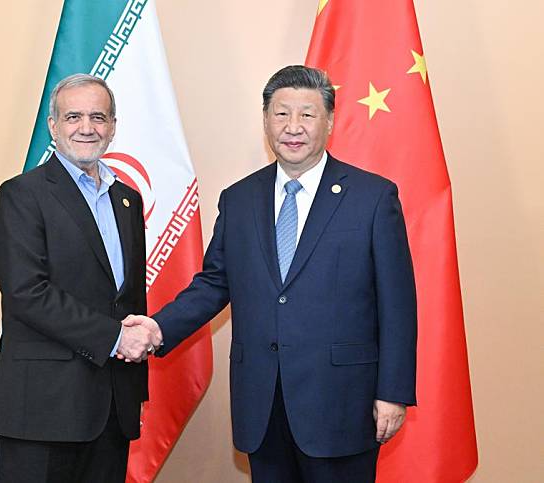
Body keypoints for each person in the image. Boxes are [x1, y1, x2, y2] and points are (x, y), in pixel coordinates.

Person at [124, 65, 417, 482]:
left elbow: (398, 303)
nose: (293, 127)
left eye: (307, 115)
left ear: (330, 122)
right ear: (265, 120)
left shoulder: (373, 197)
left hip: (341, 402)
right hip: (261, 402)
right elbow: (214, 282)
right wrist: (156, 328)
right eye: (281, 114)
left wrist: (392, 392)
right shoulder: (239, 198)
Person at [0, 73, 160, 483]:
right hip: (43, 406)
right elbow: (27, 292)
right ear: (53, 126)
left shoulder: (126, 199)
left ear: (113, 126)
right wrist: (117, 338)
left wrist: (136, 344)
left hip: (114, 403)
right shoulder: (22, 194)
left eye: (98, 117)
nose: (86, 128)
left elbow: (127, 296)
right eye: (73, 116)